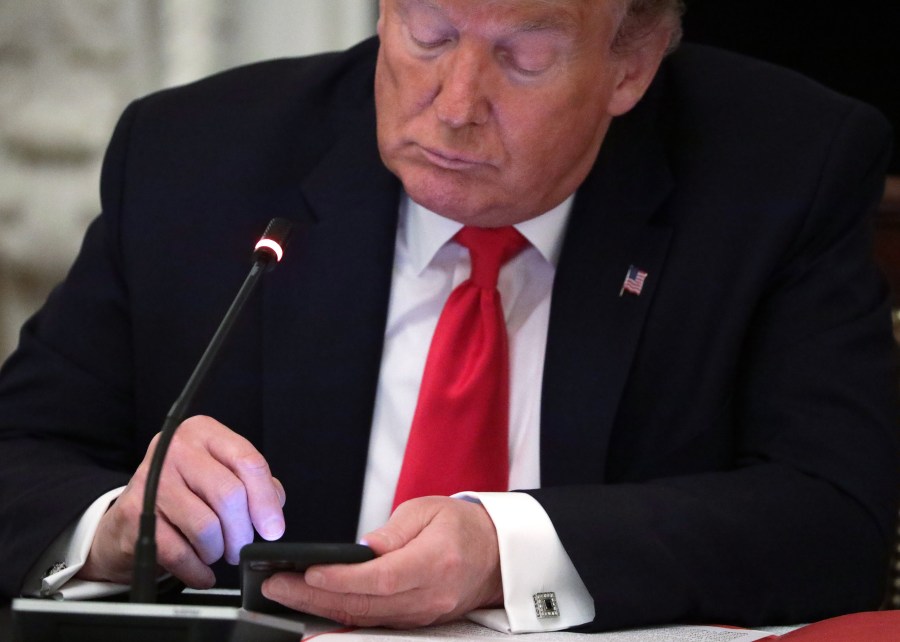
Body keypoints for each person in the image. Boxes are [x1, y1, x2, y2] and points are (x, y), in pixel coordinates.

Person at [0, 0, 898, 633]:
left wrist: (507, 550)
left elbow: (835, 516)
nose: (457, 105)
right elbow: (20, 454)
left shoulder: (781, 168)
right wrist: (117, 523)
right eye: (427, 34)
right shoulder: (197, 157)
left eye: (524, 57)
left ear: (631, 64)